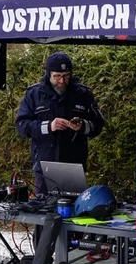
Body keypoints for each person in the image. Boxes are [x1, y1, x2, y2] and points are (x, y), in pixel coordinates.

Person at [15, 52, 105, 194]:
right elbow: (22, 126)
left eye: (66, 76)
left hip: (73, 165)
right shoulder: (34, 94)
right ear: (49, 74)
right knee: (43, 211)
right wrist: (49, 126)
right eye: (57, 76)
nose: (62, 81)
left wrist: (83, 126)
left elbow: (98, 124)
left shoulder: (83, 94)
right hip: (44, 165)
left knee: (71, 211)